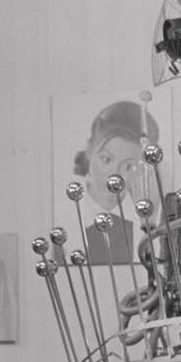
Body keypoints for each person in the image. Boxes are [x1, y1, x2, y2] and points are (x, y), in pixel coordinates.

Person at [71, 100, 159, 265]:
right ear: (89, 150)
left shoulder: (144, 221)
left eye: (128, 166)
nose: (115, 176)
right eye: (106, 159)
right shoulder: (69, 217)